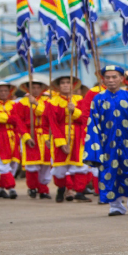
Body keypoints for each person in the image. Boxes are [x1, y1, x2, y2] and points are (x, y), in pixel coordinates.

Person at [84, 65, 128, 216]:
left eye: (114, 77)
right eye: (107, 77)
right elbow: (93, 123)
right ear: (103, 80)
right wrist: (95, 147)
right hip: (107, 144)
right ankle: (115, 206)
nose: (111, 80)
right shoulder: (98, 99)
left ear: (121, 79)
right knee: (109, 172)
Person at [46, 74, 91, 203]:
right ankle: (61, 188)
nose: (65, 85)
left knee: (80, 165)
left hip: (78, 135)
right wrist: (60, 143)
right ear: (58, 86)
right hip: (60, 135)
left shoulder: (80, 100)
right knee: (60, 168)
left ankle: (80, 192)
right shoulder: (52, 102)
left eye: (68, 82)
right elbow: (53, 123)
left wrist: (74, 111)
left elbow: (85, 119)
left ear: (73, 86)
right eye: (63, 83)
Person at [13, 76, 52, 200]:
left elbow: (48, 115)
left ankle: (44, 189)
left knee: (46, 164)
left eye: (37, 87)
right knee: (32, 165)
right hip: (31, 135)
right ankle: (32, 187)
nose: (35, 90)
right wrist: (25, 136)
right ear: (28, 89)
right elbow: (19, 121)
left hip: (45, 135)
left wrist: (36, 104)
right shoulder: (21, 103)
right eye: (32, 87)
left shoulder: (47, 101)